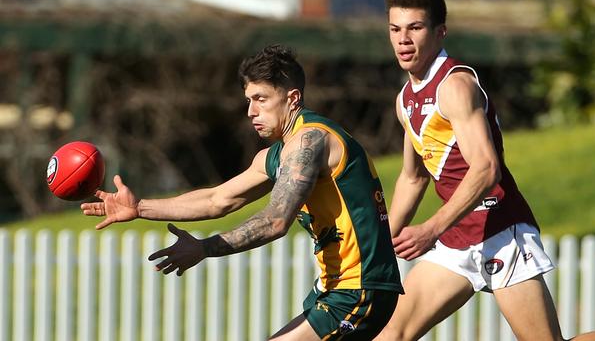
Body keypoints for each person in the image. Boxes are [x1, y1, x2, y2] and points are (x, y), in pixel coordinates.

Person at [375, 0, 595, 341]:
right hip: (458, 238)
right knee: (390, 335)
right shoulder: (405, 99)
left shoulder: (455, 86)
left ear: (440, 32)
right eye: (396, 29)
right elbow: (413, 178)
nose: (403, 40)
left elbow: (486, 169)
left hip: (501, 232)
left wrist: (430, 228)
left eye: (415, 28)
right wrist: (378, 246)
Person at [81, 45, 403, 341]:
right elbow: (217, 199)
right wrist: (140, 208)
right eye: (248, 100)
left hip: (359, 288)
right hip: (334, 289)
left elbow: (276, 221)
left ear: (292, 99)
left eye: (261, 99)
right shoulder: (274, 156)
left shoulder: (311, 141)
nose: (250, 111)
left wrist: (205, 248)